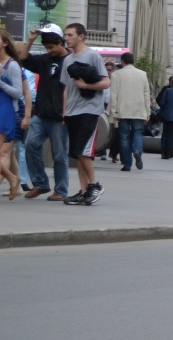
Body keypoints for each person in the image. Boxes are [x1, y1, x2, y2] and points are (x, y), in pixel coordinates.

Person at [16, 23, 70, 201]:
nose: (50, 50)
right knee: (31, 145)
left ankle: (61, 190)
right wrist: (30, 40)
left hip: (59, 116)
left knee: (59, 154)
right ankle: (40, 183)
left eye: (52, 47)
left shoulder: (70, 61)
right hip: (41, 113)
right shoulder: (45, 59)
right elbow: (23, 58)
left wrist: (66, 112)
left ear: (61, 42)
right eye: (47, 47)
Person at [59, 23, 110, 205]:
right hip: (72, 111)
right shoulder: (67, 60)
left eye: (70, 35)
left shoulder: (93, 55)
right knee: (77, 153)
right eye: (65, 35)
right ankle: (83, 191)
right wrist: (64, 112)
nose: (67, 38)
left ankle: (94, 184)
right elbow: (65, 88)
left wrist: (87, 86)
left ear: (81, 36)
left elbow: (106, 83)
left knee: (83, 151)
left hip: (90, 109)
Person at [0, 30, 32, 200]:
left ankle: (13, 180)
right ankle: (16, 182)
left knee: (4, 152)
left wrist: (26, 116)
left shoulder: (13, 66)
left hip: (11, 112)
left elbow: (22, 93)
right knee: (8, 153)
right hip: (3, 110)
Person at [107, 52, 151, 172]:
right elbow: (147, 94)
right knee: (138, 133)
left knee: (124, 137)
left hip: (122, 110)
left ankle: (127, 164)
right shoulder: (143, 74)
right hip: (139, 109)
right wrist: (148, 111)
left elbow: (113, 95)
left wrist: (114, 112)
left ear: (122, 61)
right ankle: (137, 151)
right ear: (133, 61)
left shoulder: (116, 75)